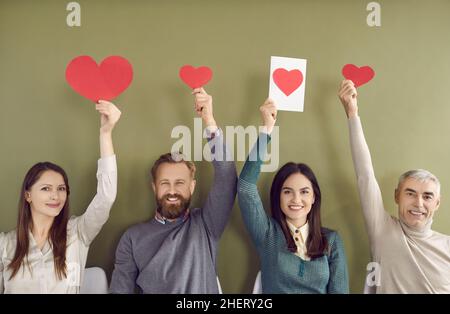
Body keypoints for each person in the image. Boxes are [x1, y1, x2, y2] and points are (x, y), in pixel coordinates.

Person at [109, 88, 237, 294]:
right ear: (154, 187)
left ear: (192, 186)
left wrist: (209, 121)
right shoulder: (132, 238)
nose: (172, 191)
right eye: (165, 183)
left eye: (179, 183)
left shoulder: (206, 224)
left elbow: (227, 176)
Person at [338, 79, 450, 293]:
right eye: (411, 193)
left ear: (437, 203)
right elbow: (365, 175)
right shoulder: (382, 230)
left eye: (427, 196)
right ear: (397, 196)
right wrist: (352, 114)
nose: (418, 203)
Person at [0, 100, 121, 293]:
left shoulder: (78, 233)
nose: (55, 196)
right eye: (46, 189)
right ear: (28, 195)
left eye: (61, 188)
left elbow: (106, 197)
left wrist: (105, 133)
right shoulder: (5, 246)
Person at [237, 99, 349, 294]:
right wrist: (266, 130)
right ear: (278, 197)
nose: (296, 200)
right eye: (287, 191)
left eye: (304, 192)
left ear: (314, 197)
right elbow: (246, 186)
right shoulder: (267, 234)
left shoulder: (330, 240)